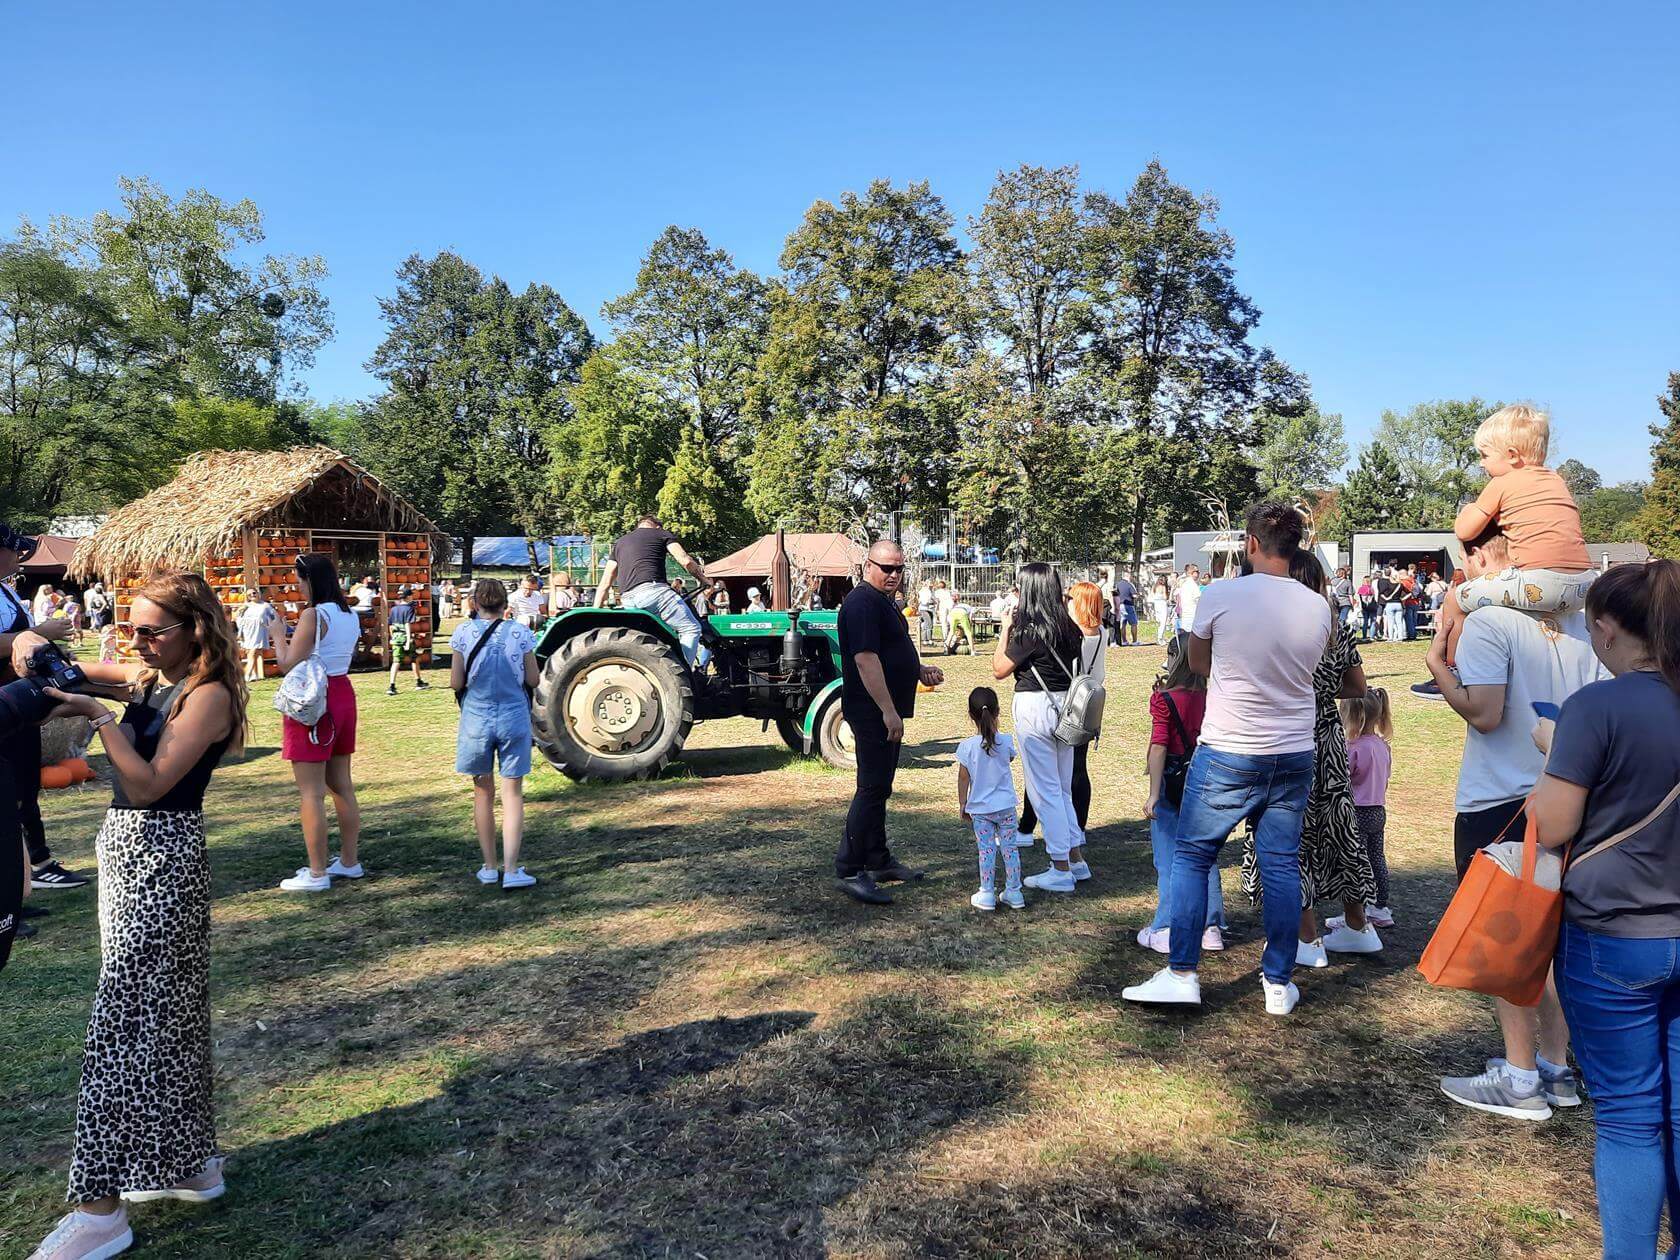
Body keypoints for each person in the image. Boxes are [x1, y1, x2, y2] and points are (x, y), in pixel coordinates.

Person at [28, 573, 245, 1260]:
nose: (137, 640)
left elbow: (150, 786)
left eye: (152, 629)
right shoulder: (151, 675)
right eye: (131, 626)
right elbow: (87, 667)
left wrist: (94, 717)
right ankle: (189, 1165)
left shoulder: (206, 696)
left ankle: (100, 1212)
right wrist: (34, 650)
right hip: (130, 858)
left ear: (195, 631)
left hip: (160, 857)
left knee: (121, 1024)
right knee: (169, 1016)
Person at [1123, 502, 1331, 1016]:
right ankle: (1278, 982)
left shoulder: (1220, 595)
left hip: (1230, 749)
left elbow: (1196, 661)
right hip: (1292, 751)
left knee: (1193, 856)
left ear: (1250, 543)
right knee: (1281, 864)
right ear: (1297, 545)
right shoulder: (1318, 606)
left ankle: (1182, 973)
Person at [1426, 529, 1605, 1120]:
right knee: (1553, 939)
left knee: (1511, 938)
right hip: (1568, 795)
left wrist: (1438, 668)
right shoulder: (1581, 624)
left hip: (1498, 799)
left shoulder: (1489, 622)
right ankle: (1556, 1067)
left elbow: (1485, 712)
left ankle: (1521, 1075)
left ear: (1481, 556)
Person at [1531, 559, 1680, 1254]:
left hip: (1612, 935)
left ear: (1607, 628)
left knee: (1628, 1117)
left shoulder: (1596, 707)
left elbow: (1554, 824)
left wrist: (1552, 754)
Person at [1239, 550, 1379, 966]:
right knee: (1339, 828)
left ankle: (1306, 938)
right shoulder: (1334, 625)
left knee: (1286, 833)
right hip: (1328, 736)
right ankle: (1358, 926)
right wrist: (1320, 693)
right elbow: (1357, 687)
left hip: (1285, 735)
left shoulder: (1279, 627)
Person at [1436, 403, 1595, 667]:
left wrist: (1469, 510)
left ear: (1511, 455)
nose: (1481, 462)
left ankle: (1452, 666)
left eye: (1484, 455)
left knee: (1455, 599)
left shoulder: (1502, 483)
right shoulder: (1556, 480)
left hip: (1540, 582)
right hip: (1584, 585)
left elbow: (1465, 531)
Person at [834, 540, 943, 905]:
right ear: (869, 566)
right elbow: (866, 660)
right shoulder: (862, 602)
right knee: (871, 788)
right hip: (871, 711)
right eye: (887, 568)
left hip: (884, 710)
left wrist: (918, 670)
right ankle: (850, 868)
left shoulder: (883, 601)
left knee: (881, 788)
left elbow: (891, 651)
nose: (894, 575)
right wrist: (888, 710)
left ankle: (878, 860)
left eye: (899, 569)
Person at [0, 524, 89, 892]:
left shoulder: (5, 589)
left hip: (19, 703)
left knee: (23, 786)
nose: (19, 556)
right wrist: (36, 634)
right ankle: (28, 870)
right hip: (5, 707)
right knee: (11, 789)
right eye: (13, 549)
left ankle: (31, 868)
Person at [994, 562, 1092, 894]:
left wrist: (1005, 628)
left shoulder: (1027, 632)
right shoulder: (1069, 628)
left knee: (1043, 790)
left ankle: (1060, 867)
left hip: (1036, 707)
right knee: (1062, 787)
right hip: (1066, 707)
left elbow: (999, 669)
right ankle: (1075, 859)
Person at [273, 553, 365, 893]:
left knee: (311, 792)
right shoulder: (348, 613)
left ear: (309, 578)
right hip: (342, 692)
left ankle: (316, 873)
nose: (296, 583)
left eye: (298, 577)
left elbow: (286, 663)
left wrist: (278, 633)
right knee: (341, 784)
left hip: (314, 698)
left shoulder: (313, 614)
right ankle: (349, 861)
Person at [449, 579, 539, 890]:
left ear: (475, 603)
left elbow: (456, 683)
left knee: (483, 792)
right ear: (505, 604)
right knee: (513, 793)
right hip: (513, 714)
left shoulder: (462, 632)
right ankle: (512, 869)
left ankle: (489, 866)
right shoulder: (521, 632)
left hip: (477, 717)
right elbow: (533, 678)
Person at [1139, 632, 1225, 953]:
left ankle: (1165, 925)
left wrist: (1153, 794)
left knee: (1169, 857)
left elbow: (1159, 745)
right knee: (1205, 854)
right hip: (1206, 776)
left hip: (1172, 779)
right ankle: (1211, 925)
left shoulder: (1165, 698)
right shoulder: (1214, 695)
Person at [1017, 580, 1104, 846]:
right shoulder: (1100, 631)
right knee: (1077, 768)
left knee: (1046, 770)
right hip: (1089, 701)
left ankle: (1029, 827)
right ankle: (1079, 826)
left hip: (1068, 702)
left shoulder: (1072, 632)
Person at [596, 516, 713, 668]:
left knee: (659, 636)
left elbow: (605, 581)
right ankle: (686, 674)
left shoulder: (620, 543)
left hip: (628, 600)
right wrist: (704, 580)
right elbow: (685, 560)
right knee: (691, 628)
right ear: (657, 526)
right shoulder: (661, 534)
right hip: (654, 592)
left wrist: (596, 612)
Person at [1327, 688, 1395, 931]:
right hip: (1378, 810)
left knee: (1356, 863)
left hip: (1357, 812)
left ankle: (1357, 914)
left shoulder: (1352, 747)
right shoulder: (1381, 746)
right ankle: (1380, 907)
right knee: (1377, 858)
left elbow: (1343, 778)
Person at [957, 686, 1024, 912]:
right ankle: (1014, 891)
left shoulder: (967, 747)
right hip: (1006, 807)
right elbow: (1010, 759)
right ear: (998, 712)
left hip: (981, 810)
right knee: (1010, 848)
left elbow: (963, 778)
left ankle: (986, 892)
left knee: (986, 850)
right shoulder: (1005, 741)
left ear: (970, 714)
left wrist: (963, 803)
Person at [385, 586, 430, 695]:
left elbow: (390, 626)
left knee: (396, 662)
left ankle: (392, 686)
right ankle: (418, 682)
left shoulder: (394, 609)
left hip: (396, 639)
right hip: (405, 637)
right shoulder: (409, 609)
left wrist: (392, 638)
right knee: (414, 659)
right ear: (409, 597)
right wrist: (408, 640)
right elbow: (407, 625)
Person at [236, 587, 277, 683]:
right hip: (248, 631)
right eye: (249, 595)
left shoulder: (265, 605)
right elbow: (238, 618)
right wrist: (240, 632)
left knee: (254, 651)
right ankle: (253, 675)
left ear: (258, 593)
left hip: (259, 630)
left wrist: (267, 624)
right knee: (252, 652)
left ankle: (250, 675)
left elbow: (273, 616)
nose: (252, 596)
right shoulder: (245, 606)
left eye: (254, 593)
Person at [1112, 567, 1139, 646]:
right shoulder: (1129, 584)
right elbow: (1134, 595)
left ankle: (1124, 640)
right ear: (1128, 576)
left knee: (1122, 624)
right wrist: (1138, 595)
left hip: (1119, 605)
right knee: (1133, 623)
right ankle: (1134, 641)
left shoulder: (1117, 584)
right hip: (1129, 606)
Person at [1173, 563, 1202, 633]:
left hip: (1185, 614)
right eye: (1197, 572)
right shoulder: (1193, 585)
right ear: (1191, 573)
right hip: (1192, 614)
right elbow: (1198, 600)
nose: (1199, 574)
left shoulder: (1184, 584)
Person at [1150, 576, 1171, 645]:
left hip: (1156, 604)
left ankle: (1160, 637)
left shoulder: (1154, 587)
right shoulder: (1163, 587)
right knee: (1163, 622)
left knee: (1160, 622)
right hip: (1162, 604)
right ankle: (1160, 638)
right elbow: (1165, 597)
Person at [917, 581, 937, 645]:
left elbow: (934, 599)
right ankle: (927, 639)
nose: (931, 586)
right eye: (930, 584)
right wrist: (933, 601)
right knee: (928, 624)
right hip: (924, 609)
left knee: (928, 624)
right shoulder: (924, 591)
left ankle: (927, 639)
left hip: (930, 609)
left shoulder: (931, 591)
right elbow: (924, 601)